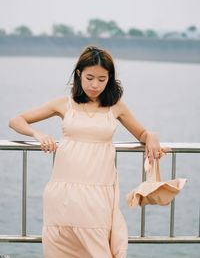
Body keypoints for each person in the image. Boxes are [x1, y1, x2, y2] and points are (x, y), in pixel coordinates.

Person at [9, 46, 163, 258]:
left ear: (110, 78)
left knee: (98, 246)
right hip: (63, 191)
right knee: (61, 247)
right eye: (90, 77)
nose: (95, 85)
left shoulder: (115, 107)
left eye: (102, 79)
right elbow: (16, 121)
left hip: (99, 190)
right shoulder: (64, 104)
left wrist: (151, 136)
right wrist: (38, 134)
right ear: (79, 74)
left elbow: (142, 133)